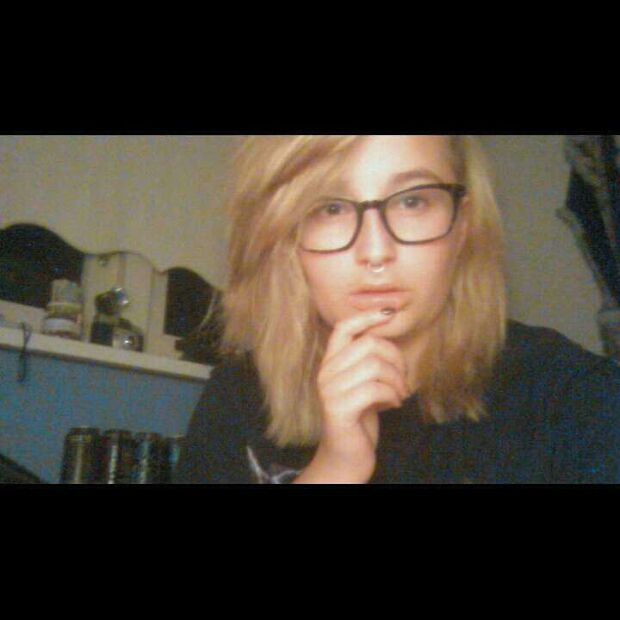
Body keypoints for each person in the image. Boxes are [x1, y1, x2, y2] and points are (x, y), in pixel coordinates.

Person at [174, 135, 620, 484]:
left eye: (412, 201)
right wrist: (335, 468)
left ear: (462, 226)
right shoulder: (237, 397)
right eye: (330, 208)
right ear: (284, 235)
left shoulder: (573, 397)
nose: (376, 251)